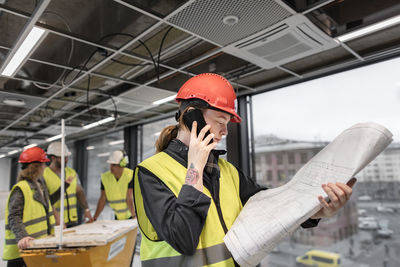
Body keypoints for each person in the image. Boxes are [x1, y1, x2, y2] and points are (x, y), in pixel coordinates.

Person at [134, 73, 356, 267]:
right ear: (192, 116)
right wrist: (195, 168)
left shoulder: (227, 171)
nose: (224, 131)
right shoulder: (150, 172)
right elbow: (183, 237)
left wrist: (317, 211)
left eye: (228, 122)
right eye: (220, 120)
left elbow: (272, 207)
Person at [3, 147, 56, 267]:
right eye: (43, 164)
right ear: (36, 167)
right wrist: (22, 237)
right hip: (22, 251)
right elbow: (14, 215)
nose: (45, 167)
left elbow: (46, 205)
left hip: (37, 246)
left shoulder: (40, 185)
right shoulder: (21, 188)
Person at [44, 141, 93, 228]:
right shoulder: (44, 175)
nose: (66, 160)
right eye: (63, 158)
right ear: (53, 158)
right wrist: (57, 219)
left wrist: (86, 209)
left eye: (67, 157)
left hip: (72, 221)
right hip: (56, 223)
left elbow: (79, 192)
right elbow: (46, 201)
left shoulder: (71, 172)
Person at [93, 150, 135, 221]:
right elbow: (102, 199)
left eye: (114, 165)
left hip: (131, 216)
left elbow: (129, 198)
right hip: (117, 217)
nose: (111, 167)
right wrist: (94, 218)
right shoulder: (105, 177)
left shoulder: (130, 175)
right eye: (111, 164)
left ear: (122, 164)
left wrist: (134, 216)